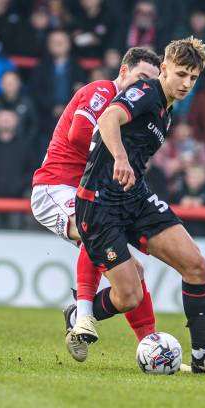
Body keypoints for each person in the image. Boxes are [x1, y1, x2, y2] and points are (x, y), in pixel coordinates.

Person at [74, 37, 205, 376]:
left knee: (196, 266)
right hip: (100, 203)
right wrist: (120, 158)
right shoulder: (147, 92)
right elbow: (108, 119)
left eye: (193, 78)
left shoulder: (167, 109)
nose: (186, 84)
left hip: (134, 197)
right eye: (180, 74)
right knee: (129, 297)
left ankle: (202, 355)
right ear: (163, 69)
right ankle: (77, 314)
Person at [30, 47, 162, 363]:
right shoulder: (103, 90)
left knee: (134, 275)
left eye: (151, 82)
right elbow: (78, 136)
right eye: (141, 77)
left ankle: (151, 344)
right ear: (124, 71)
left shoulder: (133, 113)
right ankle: (85, 314)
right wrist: (117, 151)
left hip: (88, 195)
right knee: (96, 227)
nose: (144, 86)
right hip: (55, 187)